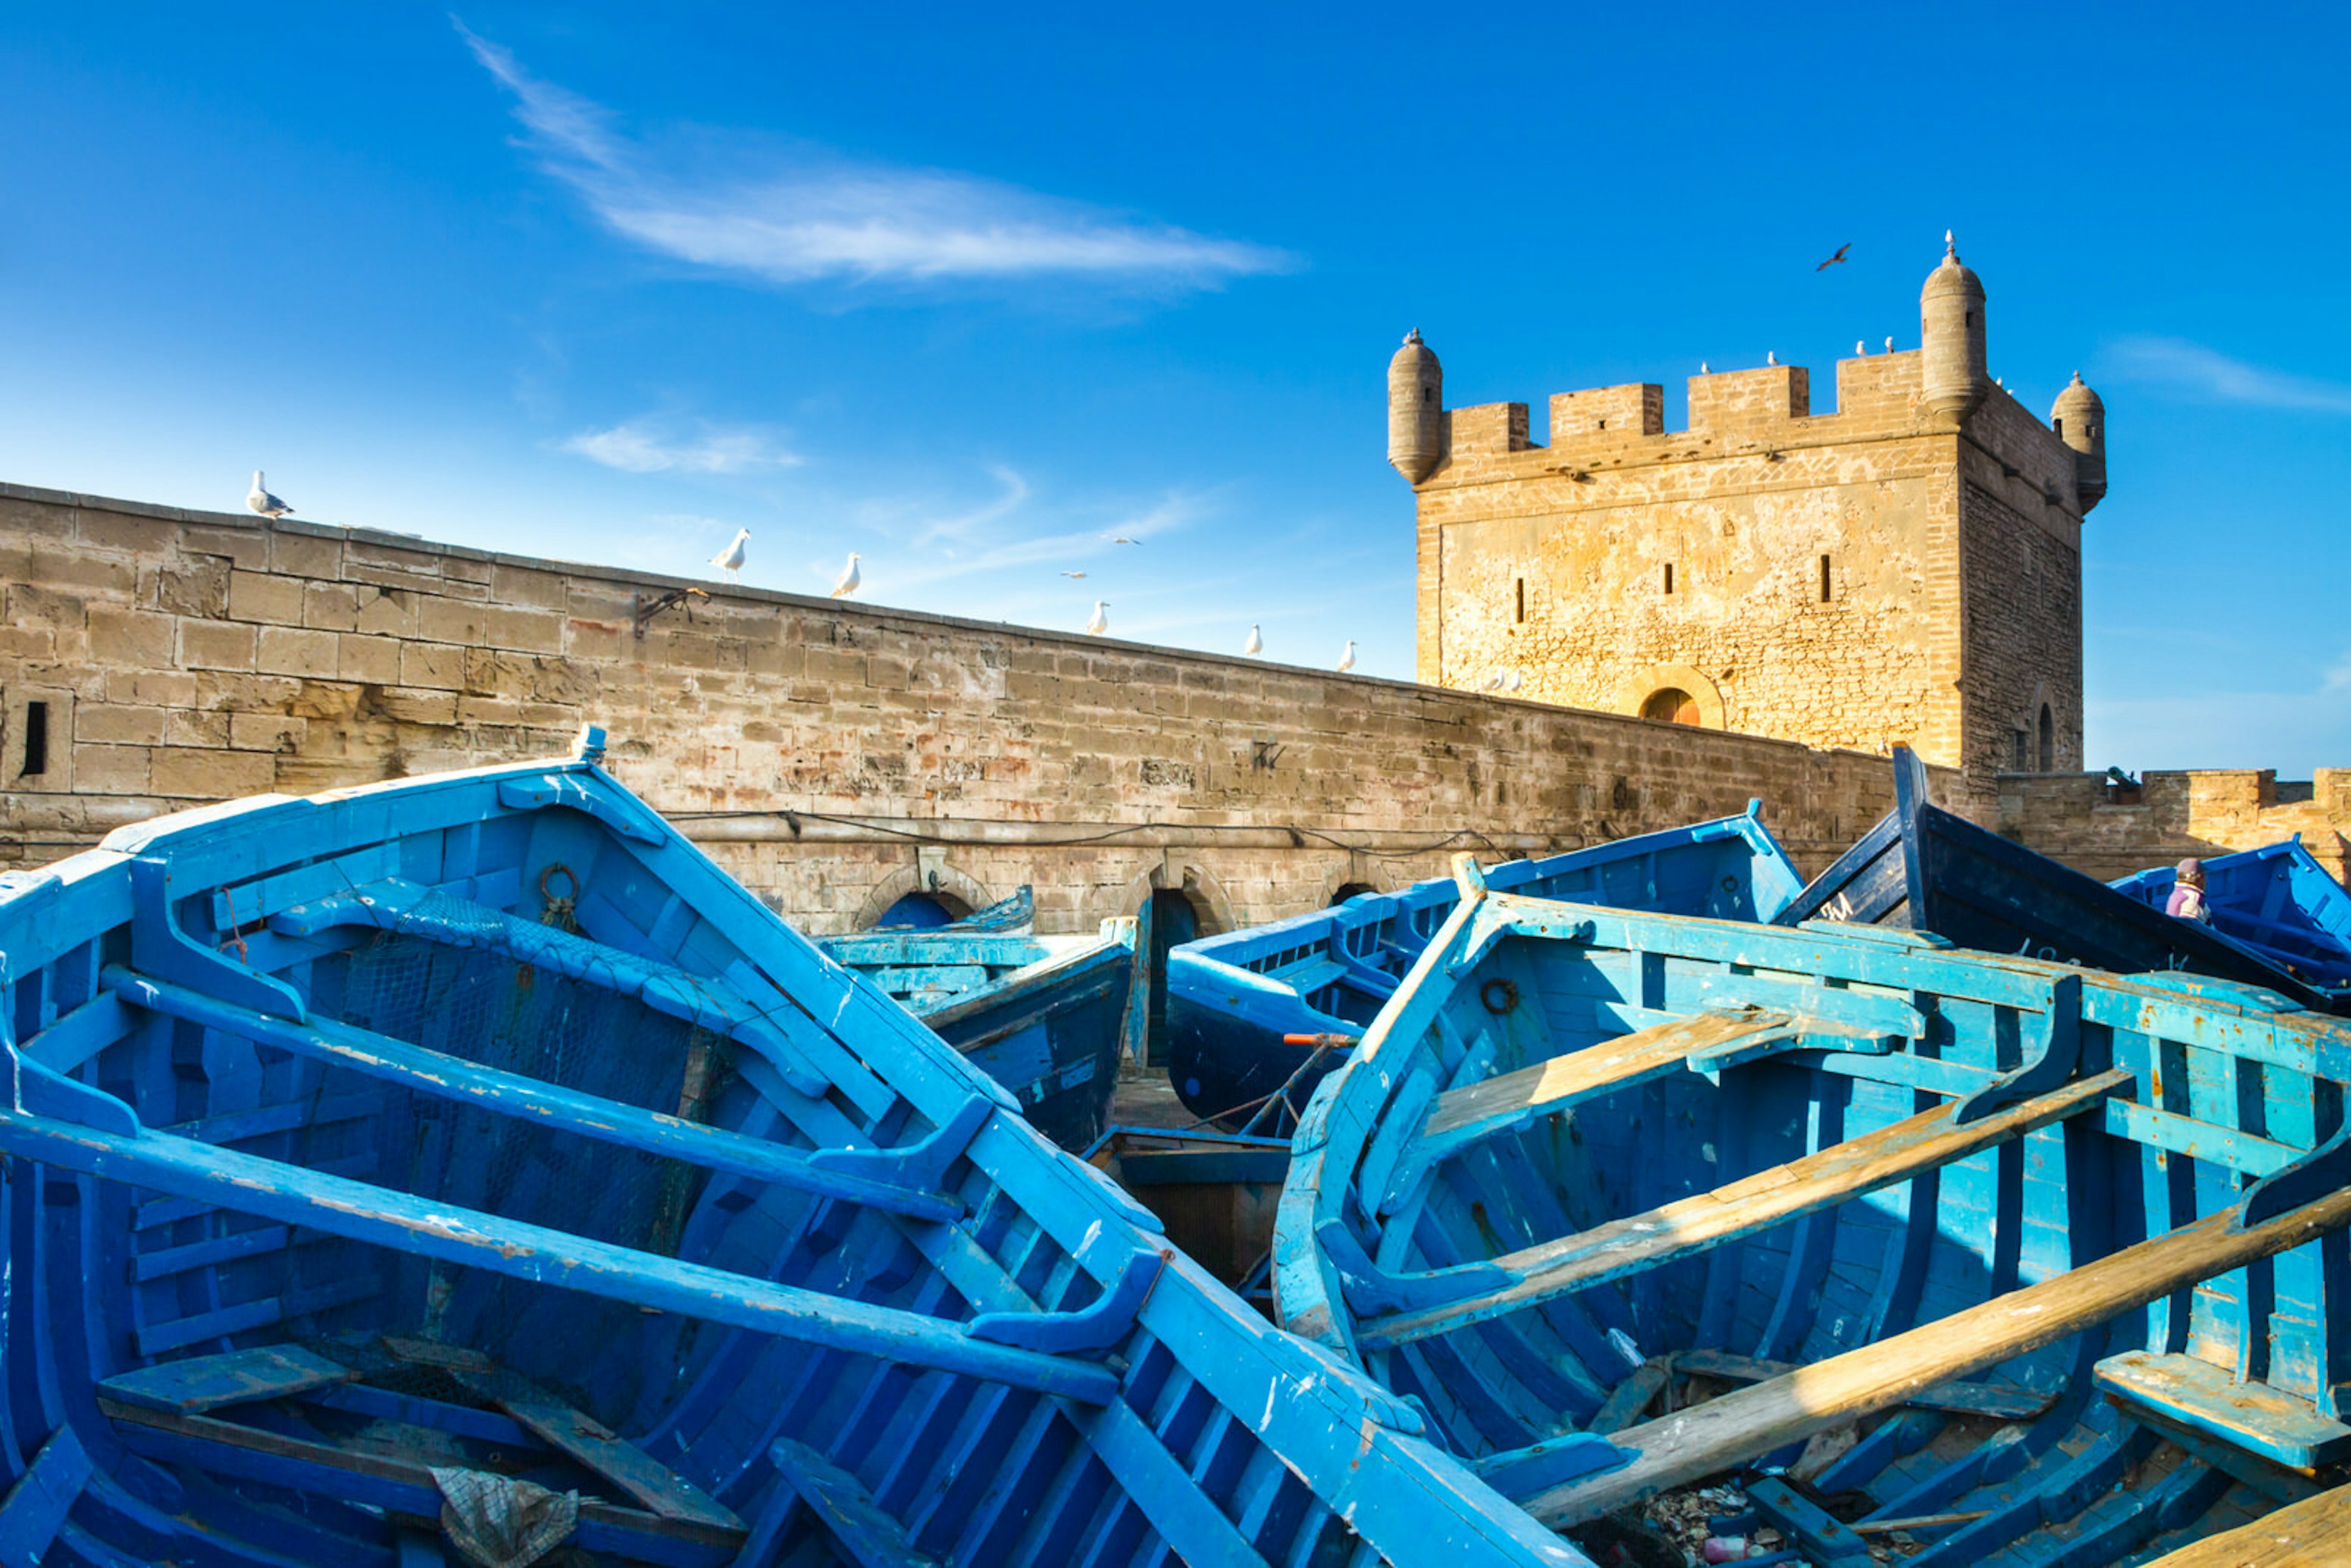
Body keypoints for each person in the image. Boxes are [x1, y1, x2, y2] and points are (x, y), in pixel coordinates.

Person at [2165, 858, 2212, 924]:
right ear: (2200, 877)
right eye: (2205, 876)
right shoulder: (2193, 898)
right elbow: (2190, 929)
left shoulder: (2177, 894)